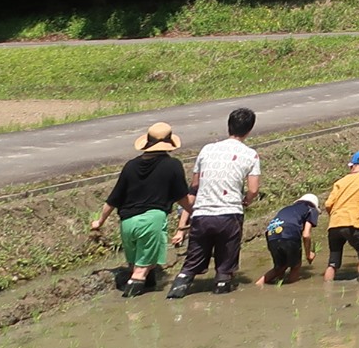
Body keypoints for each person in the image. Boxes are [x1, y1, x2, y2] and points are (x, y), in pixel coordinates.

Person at [166, 107, 261, 298]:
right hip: (229, 215)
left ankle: (177, 291)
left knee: (192, 262)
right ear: (249, 130)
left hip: (201, 215)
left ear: (228, 126)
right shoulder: (250, 154)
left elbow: (194, 185)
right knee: (225, 266)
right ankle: (221, 296)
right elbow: (253, 189)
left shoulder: (207, 150)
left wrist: (182, 224)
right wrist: (246, 201)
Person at [90, 122, 193, 297]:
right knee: (139, 273)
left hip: (128, 224)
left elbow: (113, 199)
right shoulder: (172, 165)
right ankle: (131, 313)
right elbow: (181, 197)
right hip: (151, 221)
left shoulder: (130, 166)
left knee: (138, 265)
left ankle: (147, 292)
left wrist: (99, 221)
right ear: (169, 144)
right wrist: (196, 212)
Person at [320, 150, 359, 282]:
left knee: (333, 261)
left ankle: (327, 288)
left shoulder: (340, 181)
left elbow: (328, 204)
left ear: (352, 165)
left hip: (334, 224)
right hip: (352, 223)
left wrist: (335, 217)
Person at [257, 193, 319, 286]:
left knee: (279, 267)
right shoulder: (311, 209)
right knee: (296, 266)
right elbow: (306, 235)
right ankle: (292, 290)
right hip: (289, 235)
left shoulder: (286, 209)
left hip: (271, 235)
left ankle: (258, 285)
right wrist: (308, 254)